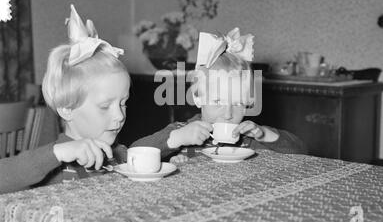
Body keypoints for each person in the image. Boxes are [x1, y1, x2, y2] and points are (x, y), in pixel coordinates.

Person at [131, 28, 307, 163]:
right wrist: (176, 140)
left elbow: (301, 152)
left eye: (238, 103)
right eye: (218, 101)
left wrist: (263, 134)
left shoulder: (248, 139)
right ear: (198, 98)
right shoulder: (182, 131)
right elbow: (133, 153)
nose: (228, 114)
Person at [1, 5, 127, 194]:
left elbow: (147, 151)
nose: (119, 115)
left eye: (123, 103)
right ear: (67, 109)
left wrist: (174, 136)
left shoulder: (117, 153)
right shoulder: (53, 166)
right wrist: (58, 152)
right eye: (105, 106)